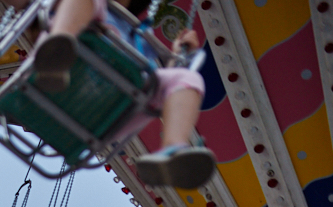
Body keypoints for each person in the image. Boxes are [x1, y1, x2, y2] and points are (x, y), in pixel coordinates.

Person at [27, 0, 213, 188]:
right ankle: (57, 52)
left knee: (188, 78)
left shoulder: (140, 35)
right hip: (67, 80)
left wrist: (177, 59)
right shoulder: (94, 6)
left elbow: (155, 83)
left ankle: (174, 149)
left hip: (109, 109)